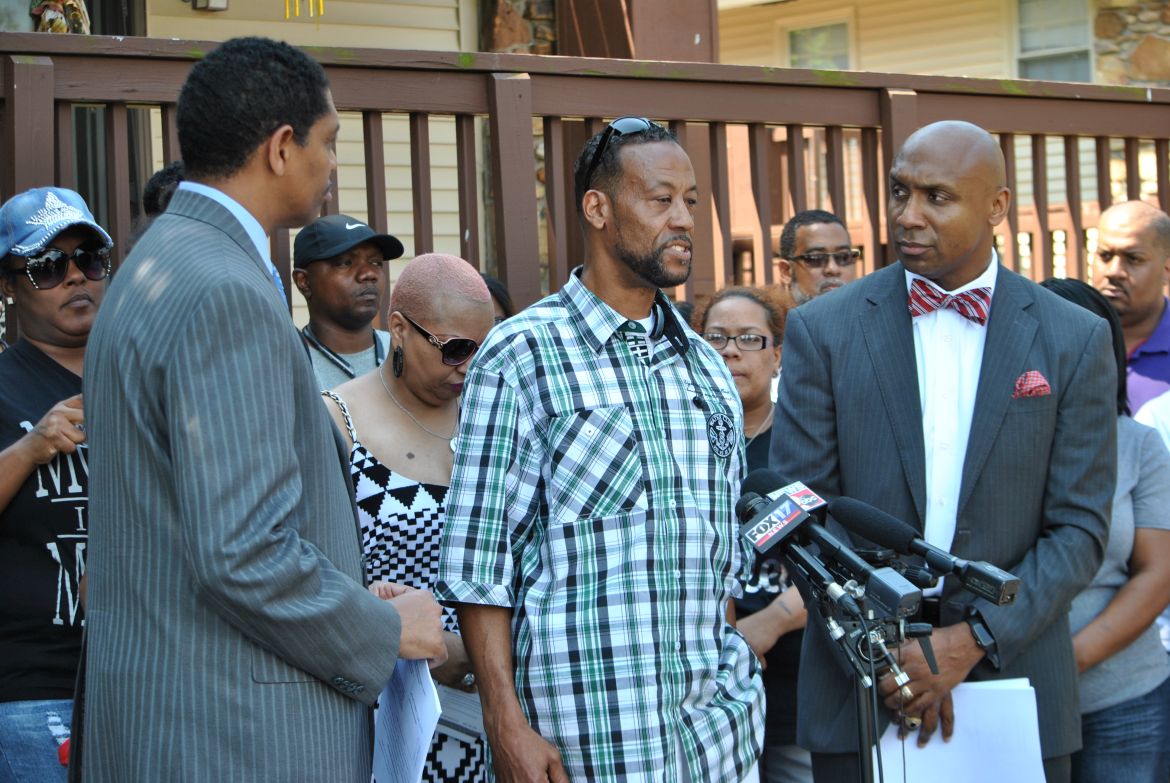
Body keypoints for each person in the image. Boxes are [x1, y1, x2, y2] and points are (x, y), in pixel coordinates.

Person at [80, 37, 445, 782]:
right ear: (282, 148)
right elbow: (243, 551)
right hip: (236, 735)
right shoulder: (224, 289)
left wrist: (344, 589)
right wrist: (381, 628)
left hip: (169, 717)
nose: (333, 163)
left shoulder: (156, 262)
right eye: (329, 141)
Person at [772, 120, 1116, 782]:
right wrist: (886, 654)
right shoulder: (823, 329)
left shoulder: (1074, 338)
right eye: (900, 191)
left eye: (938, 197)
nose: (908, 215)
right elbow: (802, 516)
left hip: (1014, 680)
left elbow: (1079, 528)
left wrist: (974, 638)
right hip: (859, 688)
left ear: (997, 206)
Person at [437, 117, 764, 782]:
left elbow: (719, 559)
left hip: (715, 745)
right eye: (661, 199)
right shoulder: (522, 355)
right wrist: (505, 723)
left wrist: (739, 696)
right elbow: (479, 561)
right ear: (598, 209)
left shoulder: (707, 369)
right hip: (585, 746)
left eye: (691, 201)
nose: (684, 220)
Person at [323, 252, 494, 782]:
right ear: (399, 329)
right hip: (391, 715)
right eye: (456, 349)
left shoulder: (493, 417)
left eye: (485, 349)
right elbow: (315, 575)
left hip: (495, 711)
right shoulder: (338, 420)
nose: (469, 366)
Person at [1037, 277, 1170, 782]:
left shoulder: (1138, 444)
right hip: (1009, 694)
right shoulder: (986, 448)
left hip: (1123, 699)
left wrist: (1067, 663)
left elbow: (1158, 574)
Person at [0, 187, 111, 782]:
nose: (73, 277)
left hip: (145, 676)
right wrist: (29, 449)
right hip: (36, 687)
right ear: (8, 286)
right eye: (46, 266)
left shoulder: (140, 376)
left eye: (88, 260)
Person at [695, 287, 810, 783]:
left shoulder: (804, 440)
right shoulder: (680, 439)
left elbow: (840, 557)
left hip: (791, 680)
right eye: (716, 338)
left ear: (777, 354)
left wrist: (770, 623)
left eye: (749, 338)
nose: (731, 351)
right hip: (698, 685)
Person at [293, 213, 403, 390]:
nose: (369, 274)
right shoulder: (290, 366)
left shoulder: (406, 352)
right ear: (304, 281)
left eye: (376, 263)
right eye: (345, 263)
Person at [1092, 200, 1170, 415]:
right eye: (1105, 256)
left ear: (1166, 269)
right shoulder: (1066, 341)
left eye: (1133, 259)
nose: (1113, 271)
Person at [777, 210, 858, 306]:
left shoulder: (871, 312)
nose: (833, 269)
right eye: (816, 258)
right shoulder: (768, 315)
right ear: (786, 272)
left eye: (843, 257)